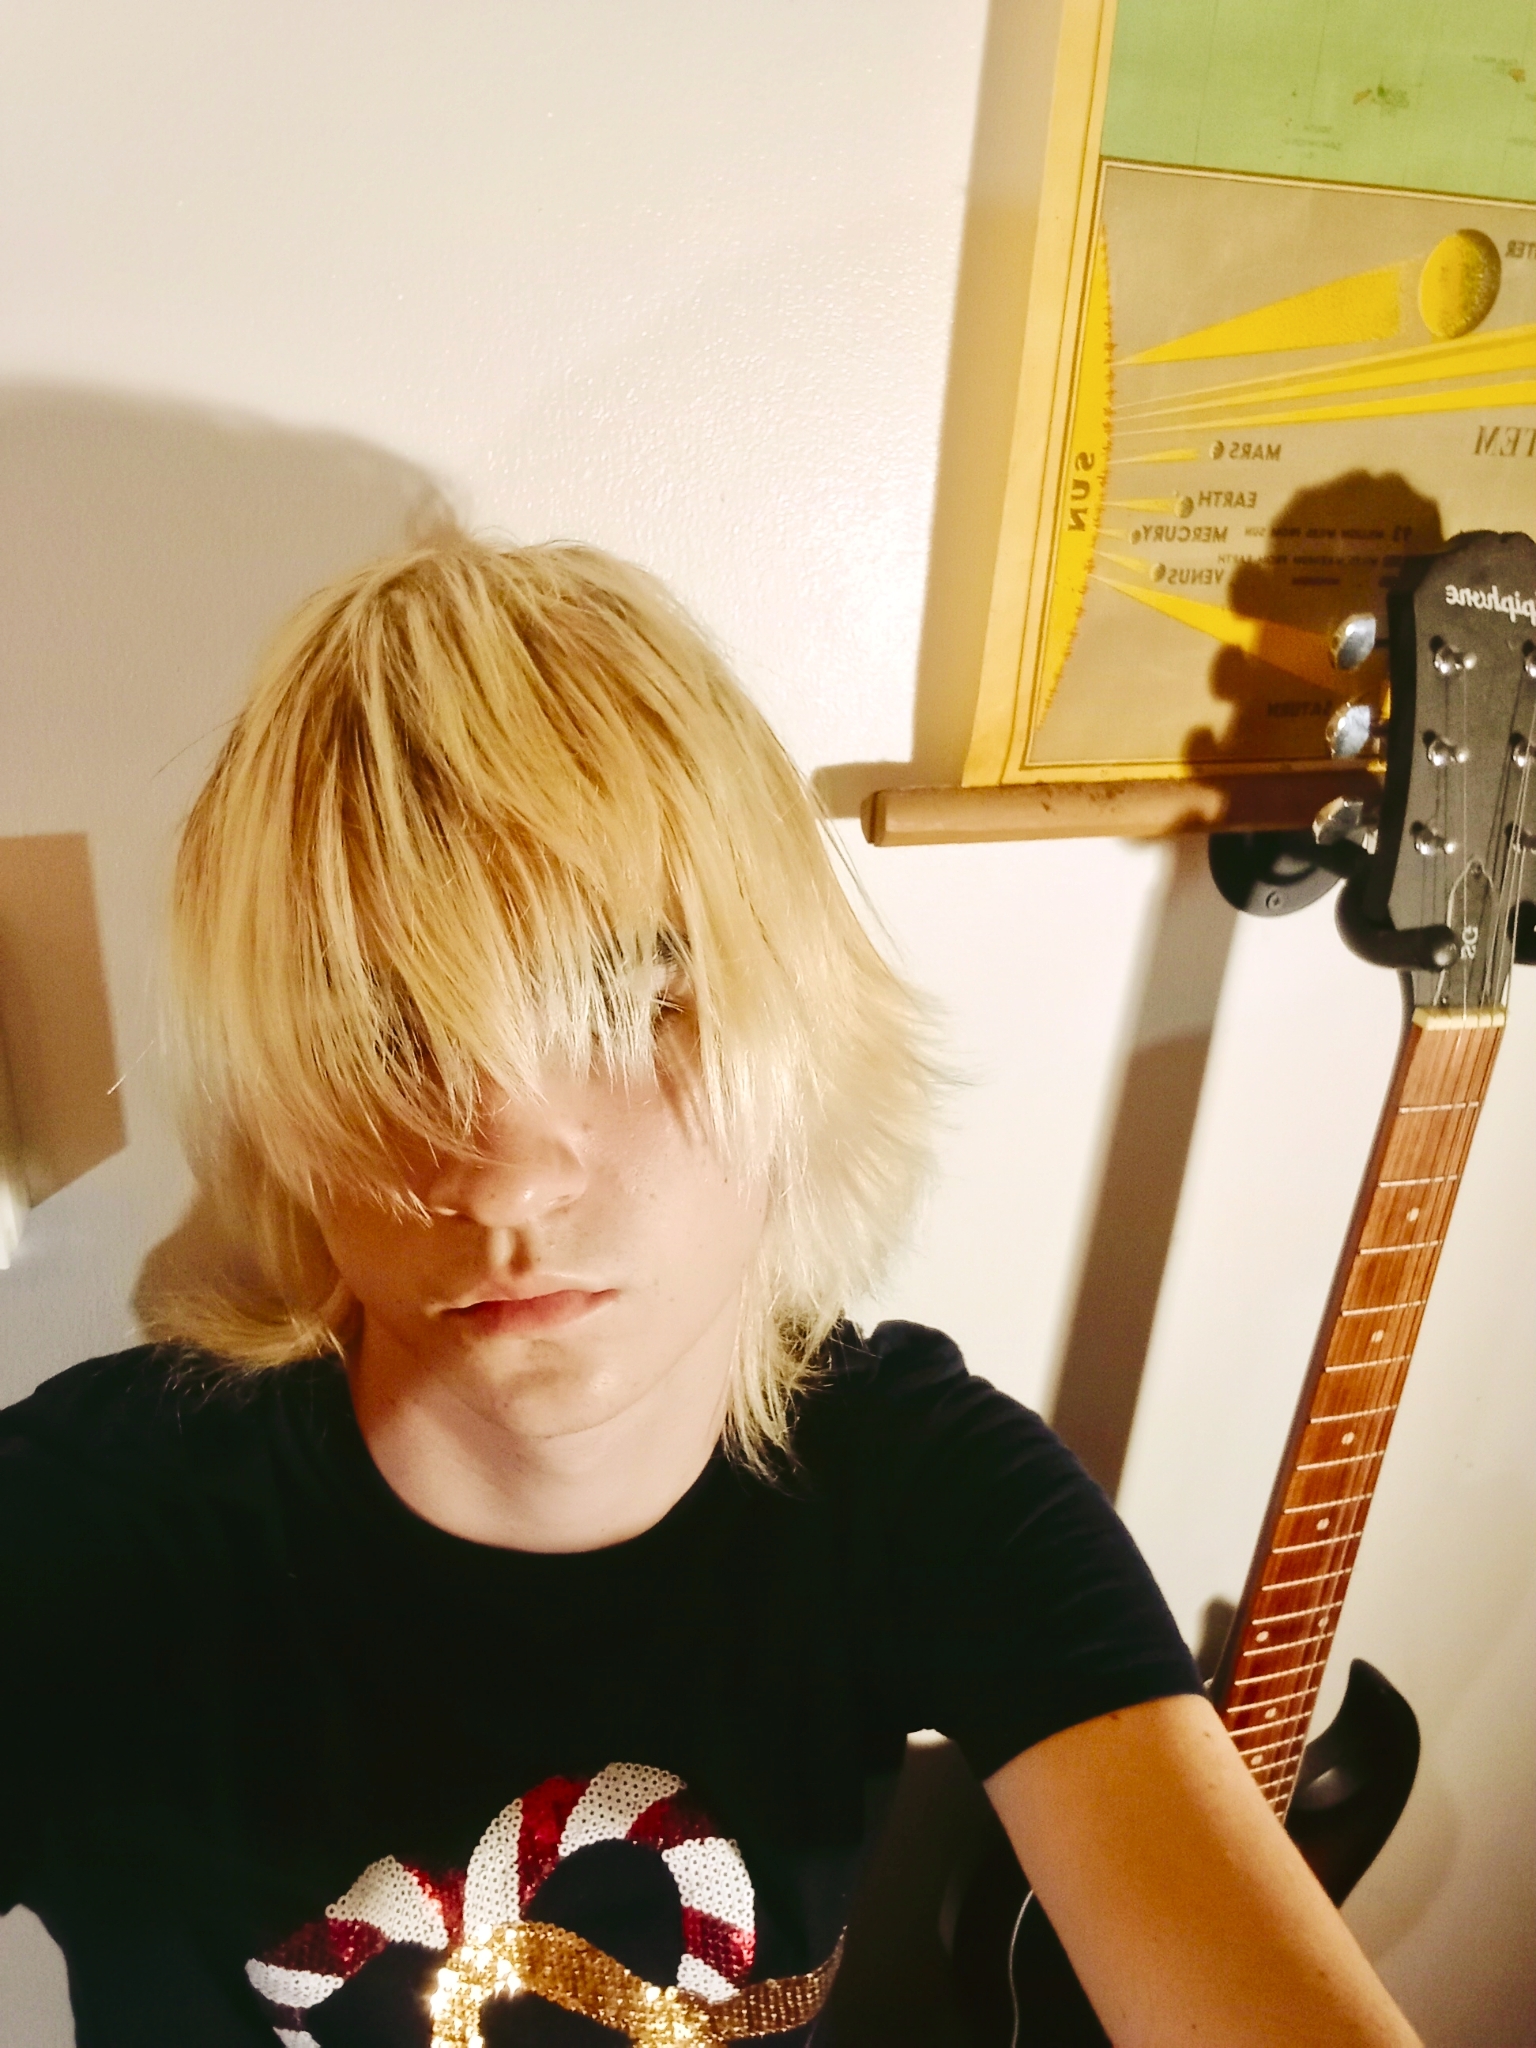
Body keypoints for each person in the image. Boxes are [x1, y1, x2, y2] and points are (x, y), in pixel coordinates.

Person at [0, 535, 1418, 2048]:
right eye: (384, 1033)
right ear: (280, 1105)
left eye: (631, 1000)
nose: (506, 1179)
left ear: (788, 1022)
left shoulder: (919, 1489)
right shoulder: (88, 1535)